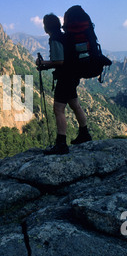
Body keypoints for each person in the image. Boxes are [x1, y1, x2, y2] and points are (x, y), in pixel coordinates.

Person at [36, 11, 91, 155]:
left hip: (65, 77)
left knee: (58, 109)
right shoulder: (65, 35)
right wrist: (47, 64)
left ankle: (61, 143)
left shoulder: (55, 38)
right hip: (73, 76)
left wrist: (43, 63)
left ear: (47, 26)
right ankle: (85, 134)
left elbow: (59, 61)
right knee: (74, 104)